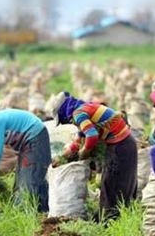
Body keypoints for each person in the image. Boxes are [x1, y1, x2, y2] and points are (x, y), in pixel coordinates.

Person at [50, 91, 137, 222]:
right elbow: (79, 139)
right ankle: (105, 218)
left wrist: (83, 153)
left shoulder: (78, 114)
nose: (64, 122)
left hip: (120, 146)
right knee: (115, 184)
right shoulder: (83, 109)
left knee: (112, 184)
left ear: (63, 111)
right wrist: (62, 157)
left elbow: (92, 136)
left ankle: (108, 222)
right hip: (125, 143)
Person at [0, 96, 51, 212]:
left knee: (31, 174)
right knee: (22, 174)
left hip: (35, 135)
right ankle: (30, 208)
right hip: (29, 140)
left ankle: (35, 209)